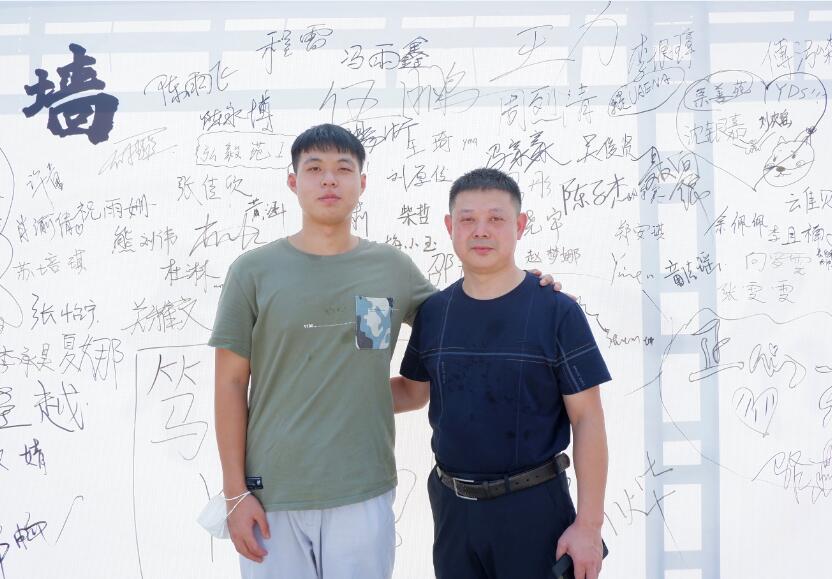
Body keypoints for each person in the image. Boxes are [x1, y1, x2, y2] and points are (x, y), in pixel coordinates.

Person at [209, 124, 562, 579]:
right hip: (271, 494)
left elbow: (463, 316)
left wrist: (530, 290)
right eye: (314, 168)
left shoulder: (391, 268)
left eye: (344, 169)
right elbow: (230, 383)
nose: (329, 179)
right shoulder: (253, 271)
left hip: (364, 489)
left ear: (362, 183)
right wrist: (235, 493)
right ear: (293, 182)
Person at [393, 168, 611, 579]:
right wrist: (331, 392)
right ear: (449, 227)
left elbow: (588, 419)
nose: (481, 230)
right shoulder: (435, 313)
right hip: (453, 512)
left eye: (496, 218)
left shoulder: (556, 311)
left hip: (533, 511)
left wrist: (589, 526)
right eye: (468, 219)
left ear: (520, 225)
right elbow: (411, 393)